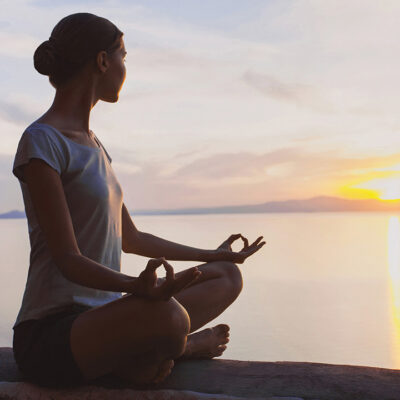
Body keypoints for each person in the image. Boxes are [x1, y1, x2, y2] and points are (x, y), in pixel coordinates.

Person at [11, 12, 266, 389]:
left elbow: (131, 238)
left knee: (227, 277)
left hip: (112, 316)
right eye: (123, 57)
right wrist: (136, 287)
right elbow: (68, 260)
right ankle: (176, 347)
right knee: (171, 319)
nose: (124, 67)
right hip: (54, 333)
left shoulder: (96, 146)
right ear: (102, 61)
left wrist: (214, 255)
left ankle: (144, 354)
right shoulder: (42, 142)